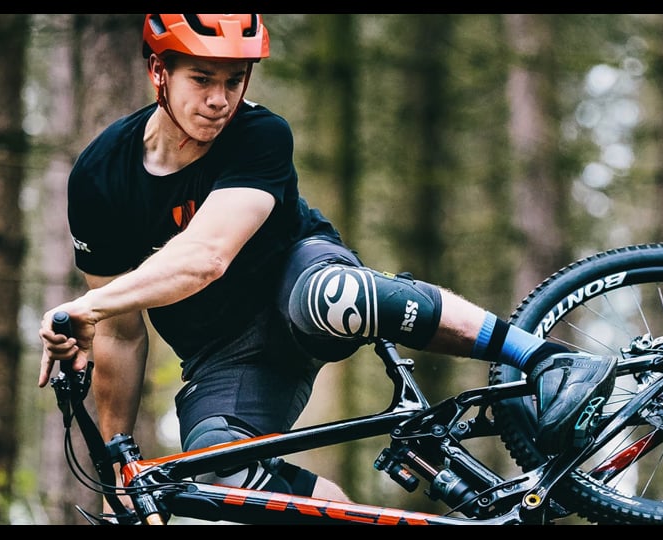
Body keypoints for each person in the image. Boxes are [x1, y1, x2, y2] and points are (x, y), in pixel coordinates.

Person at [38, 13, 616, 503]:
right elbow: (120, 334)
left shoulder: (259, 133)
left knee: (329, 298)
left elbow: (205, 256)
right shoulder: (100, 177)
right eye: (202, 78)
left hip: (299, 283)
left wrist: (89, 305)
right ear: (158, 71)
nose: (219, 100)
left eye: (235, 80)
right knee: (218, 470)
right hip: (226, 356)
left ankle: (543, 359)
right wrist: (117, 469)